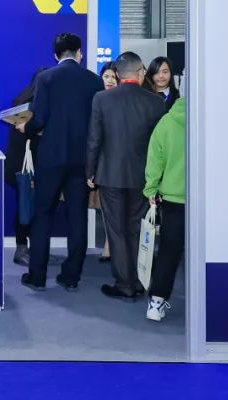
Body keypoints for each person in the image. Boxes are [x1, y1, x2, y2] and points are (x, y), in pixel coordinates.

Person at [16, 33, 104, 292]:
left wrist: (25, 128)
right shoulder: (94, 80)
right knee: (77, 217)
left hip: (50, 158)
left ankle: (37, 276)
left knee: (43, 215)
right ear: (79, 53)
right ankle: (71, 277)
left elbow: (40, 118)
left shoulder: (46, 78)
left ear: (56, 55)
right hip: (81, 159)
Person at [86, 51, 166, 301]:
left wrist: (90, 171)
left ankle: (125, 284)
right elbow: (160, 146)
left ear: (119, 75)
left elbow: (94, 139)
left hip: (110, 175)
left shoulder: (102, 98)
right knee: (137, 229)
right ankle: (139, 280)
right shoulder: (155, 102)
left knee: (116, 231)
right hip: (142, 177)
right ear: (141, 72)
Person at [143, 96, 186, 323]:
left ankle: (156, 303)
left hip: (174, 198)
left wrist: (151, 188)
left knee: (169, 251)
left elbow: (155, 158)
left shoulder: (167, 122)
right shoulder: (213, 119)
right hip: (208, 200)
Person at [4, 69, 45, 266]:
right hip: (23, 166)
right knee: (25, 207)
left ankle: (36, 249)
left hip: (36, 164)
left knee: (36, 209)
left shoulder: (43, 101)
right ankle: (21, 248)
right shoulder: (25, 104)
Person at [96, 61, 118, 263]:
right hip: (99, 159)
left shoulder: (122, 101)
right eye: (106, 76)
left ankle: (110, 244)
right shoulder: (96, 99)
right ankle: (109, 243)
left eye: (114, 77)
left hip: (118, 160)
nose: (110, 81)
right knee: (105, 206)